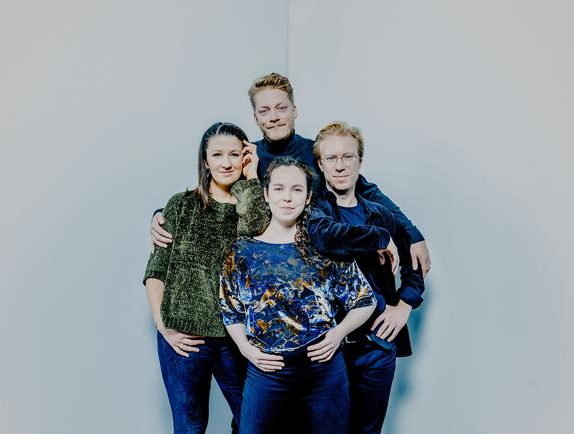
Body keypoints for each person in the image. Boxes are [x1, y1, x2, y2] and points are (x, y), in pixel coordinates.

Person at [150, 72, 432, 278]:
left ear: (294, 110)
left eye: (281, 108)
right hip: (261, 266)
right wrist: (162, 214)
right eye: (264, 111)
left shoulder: (318, 154)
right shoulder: (248, 158)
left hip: (318, 263)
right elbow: (211, 190)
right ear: (255, 119)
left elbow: (368, 193)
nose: (273, 116)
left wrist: (413, 234)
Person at [219, 157, 376, 434]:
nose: (287, 197)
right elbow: (230, 309)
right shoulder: (242, 251)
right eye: (279, 189)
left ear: (308, 197)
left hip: (323, 370)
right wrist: (246, 349)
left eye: (296, 189)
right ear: (266, 195)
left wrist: (338, 334)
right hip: (267, 370)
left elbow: (365, 300)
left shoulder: (325, 248)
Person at [143, 122, 269, 434]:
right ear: (205, 161)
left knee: (253, 422)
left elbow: (256, 229)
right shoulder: (181, 204)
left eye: (235, 154)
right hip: (184, 337)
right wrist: (162, 324)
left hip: (236, 336)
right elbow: (156, 269)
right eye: (217, 154)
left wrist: (252, 178)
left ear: (245, 157)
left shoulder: (253, 207)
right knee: (189, 426)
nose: (226, 162)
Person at [307, 122, 425, 434]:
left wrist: (405, 306)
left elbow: (414, 266)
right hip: (328, 343)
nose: (340, 165)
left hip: (376, 346)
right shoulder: (314, 211)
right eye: (331, 158)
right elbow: (323, 237)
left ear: (360, 161)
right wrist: (377, 239)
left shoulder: (381, 214)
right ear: (320, 164)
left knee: (368, 430)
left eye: (348, 156)